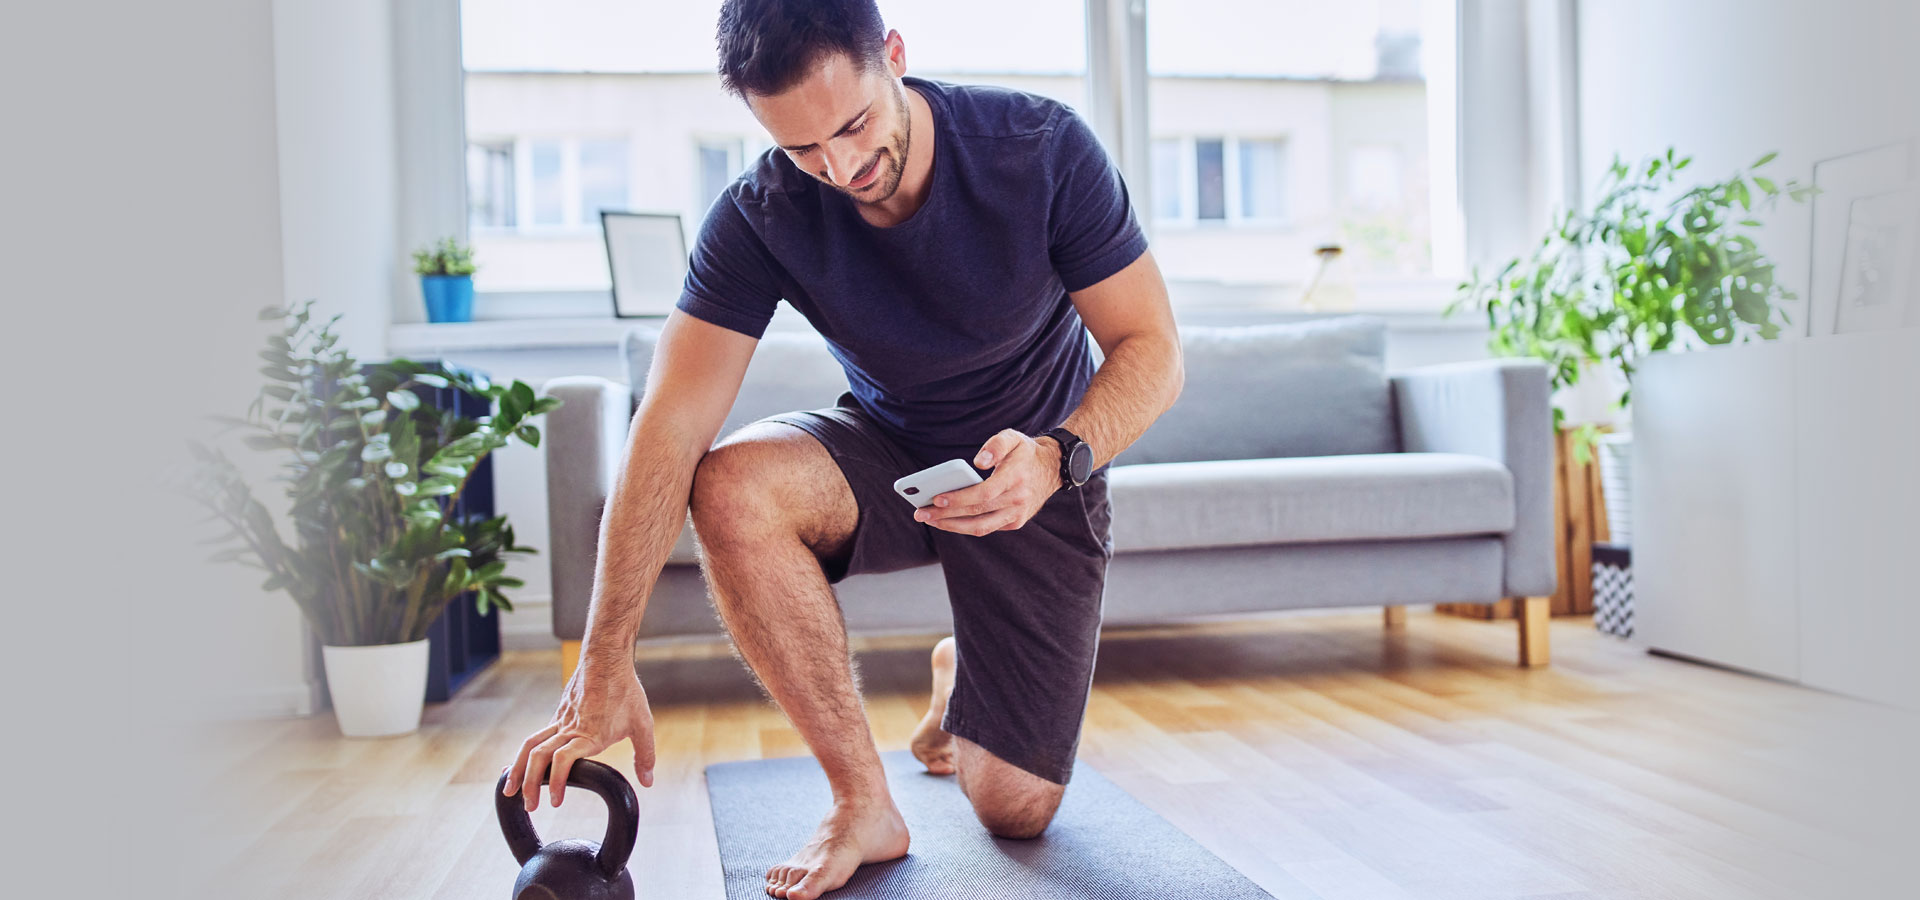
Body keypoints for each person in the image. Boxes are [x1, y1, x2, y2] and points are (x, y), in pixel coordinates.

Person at [503, 1, 1182, 897]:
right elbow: (667, 427)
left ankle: (957, 680)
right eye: (802, 150)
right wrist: (604, 660)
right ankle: (861, 801)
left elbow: (1154, 352)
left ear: (894, 56)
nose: (841, 167)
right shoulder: (760, 213)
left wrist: (1059, 456)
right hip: (888, 447)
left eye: (855, 124)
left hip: (1037, 463)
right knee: (731, 486)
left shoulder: (1039, 148)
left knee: (1013, 807)